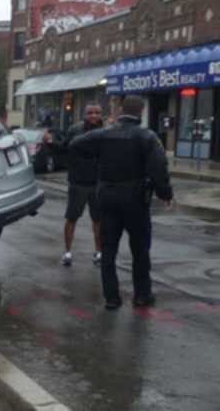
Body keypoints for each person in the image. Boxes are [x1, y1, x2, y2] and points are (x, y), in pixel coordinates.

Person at [70, 96, 173, 310]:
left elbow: (75, 144)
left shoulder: (104, 134)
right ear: (141, 111)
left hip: (107, 197)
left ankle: (112, 298)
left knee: (108, 249)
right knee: (140, 250)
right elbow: (158, 168)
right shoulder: (146, 136)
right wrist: (165, 193)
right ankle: (142, 295)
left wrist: (95, 160)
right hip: (135, 199)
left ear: (120, 111)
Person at [60, 103, 104, 267]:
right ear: (84, 115)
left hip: (98, 183)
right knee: (71, 218)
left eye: (97, 112)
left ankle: (99, 252)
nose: (93, 115)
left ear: (101, 115)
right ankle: (67, 252)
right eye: (90, 112)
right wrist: (49, 142)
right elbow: (63, 149)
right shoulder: (75, 130)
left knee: (98, 220)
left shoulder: (106, 132)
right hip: (78, 183)